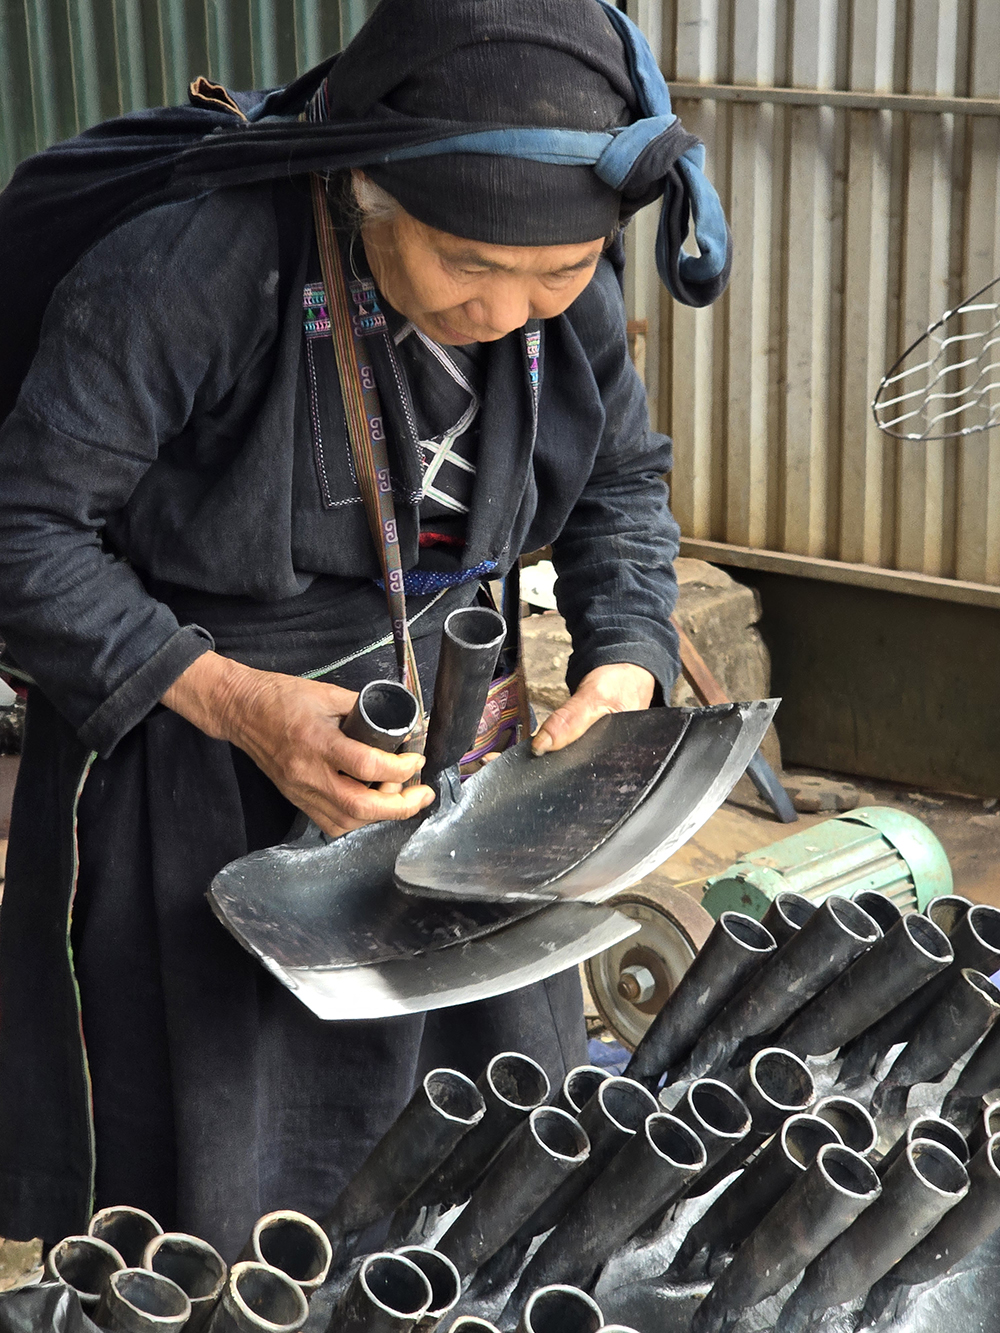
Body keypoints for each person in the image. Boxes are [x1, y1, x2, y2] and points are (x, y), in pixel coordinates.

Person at [0, 0, 730, 1259]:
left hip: (464, 763)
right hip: (199, 759)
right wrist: (236, 703)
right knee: (231, 1185)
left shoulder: (560, 286)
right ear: (365, 192)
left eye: (560, 273)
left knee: (489, 1148)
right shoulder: (191, 273)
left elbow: (620, 482)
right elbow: (22, 529)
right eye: (467, 265)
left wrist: (627, 654)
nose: (511, 311)